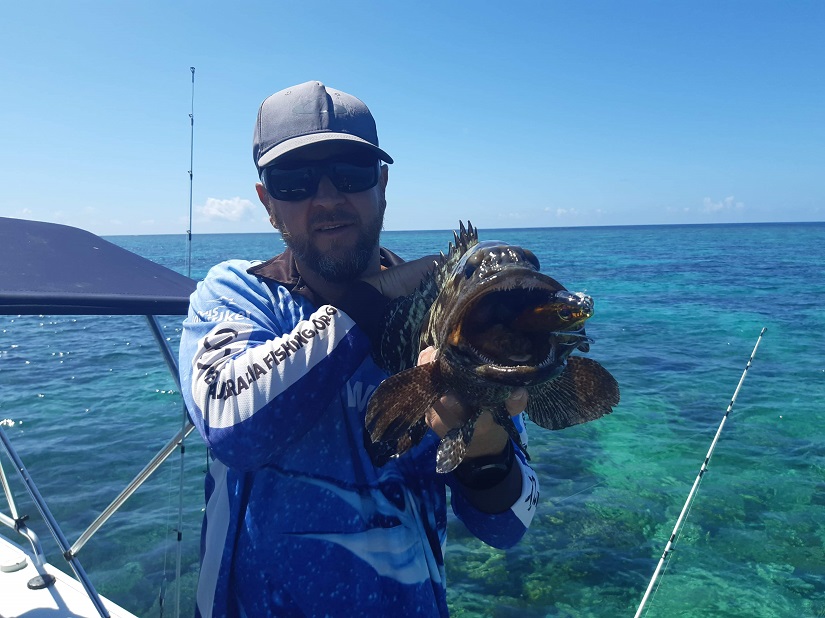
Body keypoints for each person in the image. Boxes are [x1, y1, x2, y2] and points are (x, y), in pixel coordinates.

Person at [178, 80, 540, 617]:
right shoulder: (237, 293)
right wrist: (373, 300)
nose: (326, 197)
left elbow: (510, 525)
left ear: (383, 185)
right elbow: (232, 425)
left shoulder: (445, 319)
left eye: (350, 173)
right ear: (266, 202)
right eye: (294, 181)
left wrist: (484, 448)